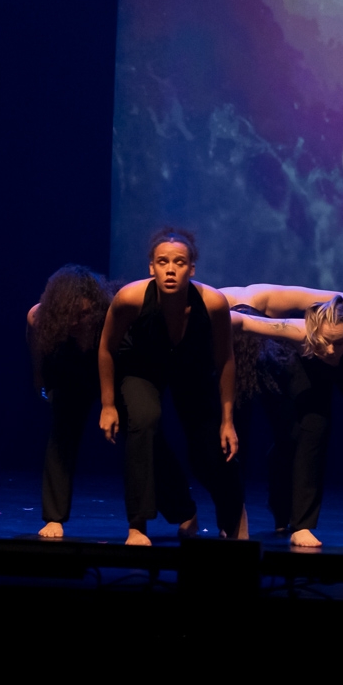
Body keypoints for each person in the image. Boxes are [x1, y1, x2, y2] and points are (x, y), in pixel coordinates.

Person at [98, 228, 243, 546]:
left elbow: (225, 360)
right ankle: (138, 525)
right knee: (144, 423)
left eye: (179, 262)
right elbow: (106, 348)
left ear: (192, 268)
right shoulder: (130, 298)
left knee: (210, 446)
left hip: (190, 368)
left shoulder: (213, 303)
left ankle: (232, 520)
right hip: (141, 366)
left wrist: (227, 420)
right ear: (152, 267)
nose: (171, 269)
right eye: (163, 262)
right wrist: (108, 404)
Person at [229, 297, 343, 546]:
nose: (331, 350)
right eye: (324, 341)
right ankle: (296, 522)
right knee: (308, 429)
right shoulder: (300, 331)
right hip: (306, 370)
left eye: (339, 342)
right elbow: (245, 322)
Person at [26, 265, 115, 539]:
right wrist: (40, 378)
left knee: (143, 431)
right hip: (68, 372)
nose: (76, 322)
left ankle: (179, 509)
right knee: (61, 436)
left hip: (108, 370)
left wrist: (109, 404)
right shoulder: (39, 316)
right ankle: (54, 517)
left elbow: (111, 357)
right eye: (70, 315)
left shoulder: (107, 315)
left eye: (83, 314)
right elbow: (36, 346)